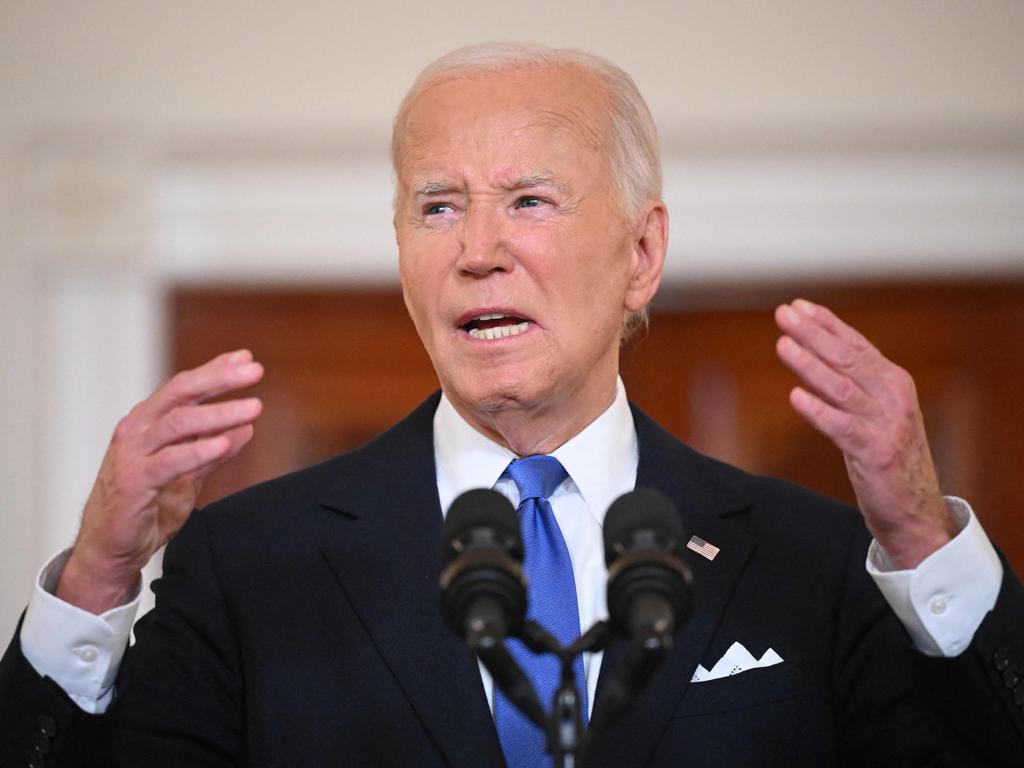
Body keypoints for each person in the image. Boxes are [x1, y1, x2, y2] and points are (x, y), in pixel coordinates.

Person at [2, 42, 1022, 767]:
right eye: (436, 206)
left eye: (528, 200)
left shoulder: (816, 561)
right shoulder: (245, 567)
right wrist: (96, 578)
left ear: (641, 254)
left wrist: (926, 546)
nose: (476, 249)